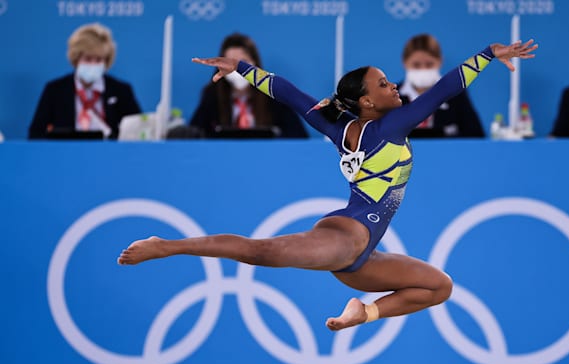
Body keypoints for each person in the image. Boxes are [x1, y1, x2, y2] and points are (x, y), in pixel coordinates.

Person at [118, 39, 537, 331]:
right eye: (384, 84)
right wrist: (486, 54)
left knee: (439, 287)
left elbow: (290, 95)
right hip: (345, 238)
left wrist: (243, 68)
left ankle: (364, 313)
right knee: (259, 250)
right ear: (368, 102)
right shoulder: (391, 126)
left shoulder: (338, 127)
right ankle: (166, 246)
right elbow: (443, 90)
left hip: (363, 255)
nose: (395, 86)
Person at [29, 22, 141, 140]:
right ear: (76, 59)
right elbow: (36, 134)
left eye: (98, 60)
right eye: (88, 59)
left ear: (106, 62)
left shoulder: (121, 91)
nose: (93, 65)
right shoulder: (55, 91)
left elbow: (138, 133)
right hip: (65, 155)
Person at [189, 33, 308, 138]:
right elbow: (195, 137)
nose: (236, 68)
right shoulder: (211, 96)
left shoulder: (274, 94)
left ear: (255, 64)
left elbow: (298, 137)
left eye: (243, 62)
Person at [399, 33, 485, 138]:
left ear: (440, 61)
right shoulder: (392, 96)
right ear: (404, 62)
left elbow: (475, 136)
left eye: (429, 64)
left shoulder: (456, 93)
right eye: (416, 65)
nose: (423, 69)